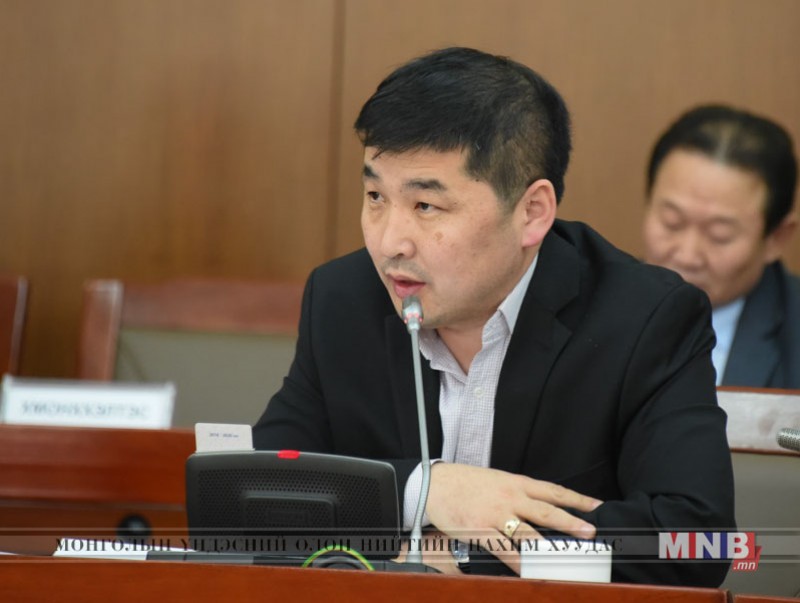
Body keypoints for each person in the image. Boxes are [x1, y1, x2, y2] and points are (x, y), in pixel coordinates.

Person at [253, 47, 734, 586]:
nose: (389, 243)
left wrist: (467, 557)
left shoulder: (644, 319)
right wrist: (426, 490)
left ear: (532, 212)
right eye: (375, 196)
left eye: (426, 206)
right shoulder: (343, 299)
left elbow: (699, 544)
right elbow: (253, 497)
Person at [643, 105, 800, 389]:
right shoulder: (590, 308)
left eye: (720, 235)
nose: (687, 256)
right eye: (672, 222)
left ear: (776, 238)